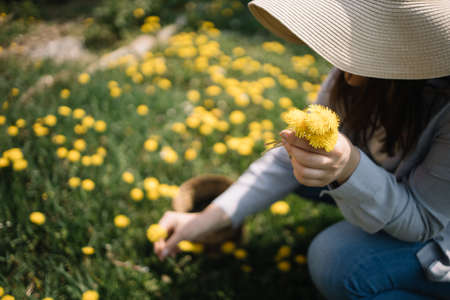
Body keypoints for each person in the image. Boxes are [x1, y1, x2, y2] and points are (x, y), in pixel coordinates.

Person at [154, 0, 450, 298]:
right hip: (401, 190)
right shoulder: (359, 71)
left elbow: (423, 220)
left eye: (361, 33)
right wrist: (208, 218)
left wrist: (350, 168)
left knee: (336, 261)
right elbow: (283, 163)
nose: (339, 60)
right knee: (301, 166)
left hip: (440, 230)